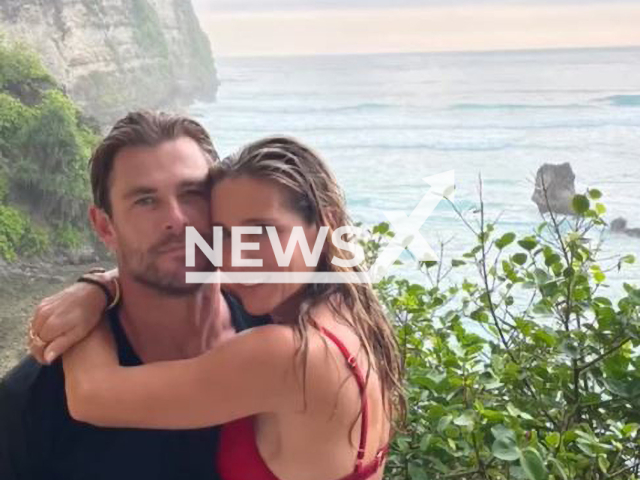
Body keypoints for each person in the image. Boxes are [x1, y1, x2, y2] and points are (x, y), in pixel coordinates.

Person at [30, 136, 405, 479]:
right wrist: (106, 283)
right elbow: (169, 270)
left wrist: (89, 292)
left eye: (262, 231)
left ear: (326, 226)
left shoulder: (285, 354)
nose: (239, 257)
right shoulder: (350, 315)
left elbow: (91, 395)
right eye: (223, 234)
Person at [0, 111, 268, 480]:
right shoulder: (32, 400)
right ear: (105, 227)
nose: (177, 219)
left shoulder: (279, 333)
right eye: (145, 201)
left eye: (192, 193)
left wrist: (98, 284)